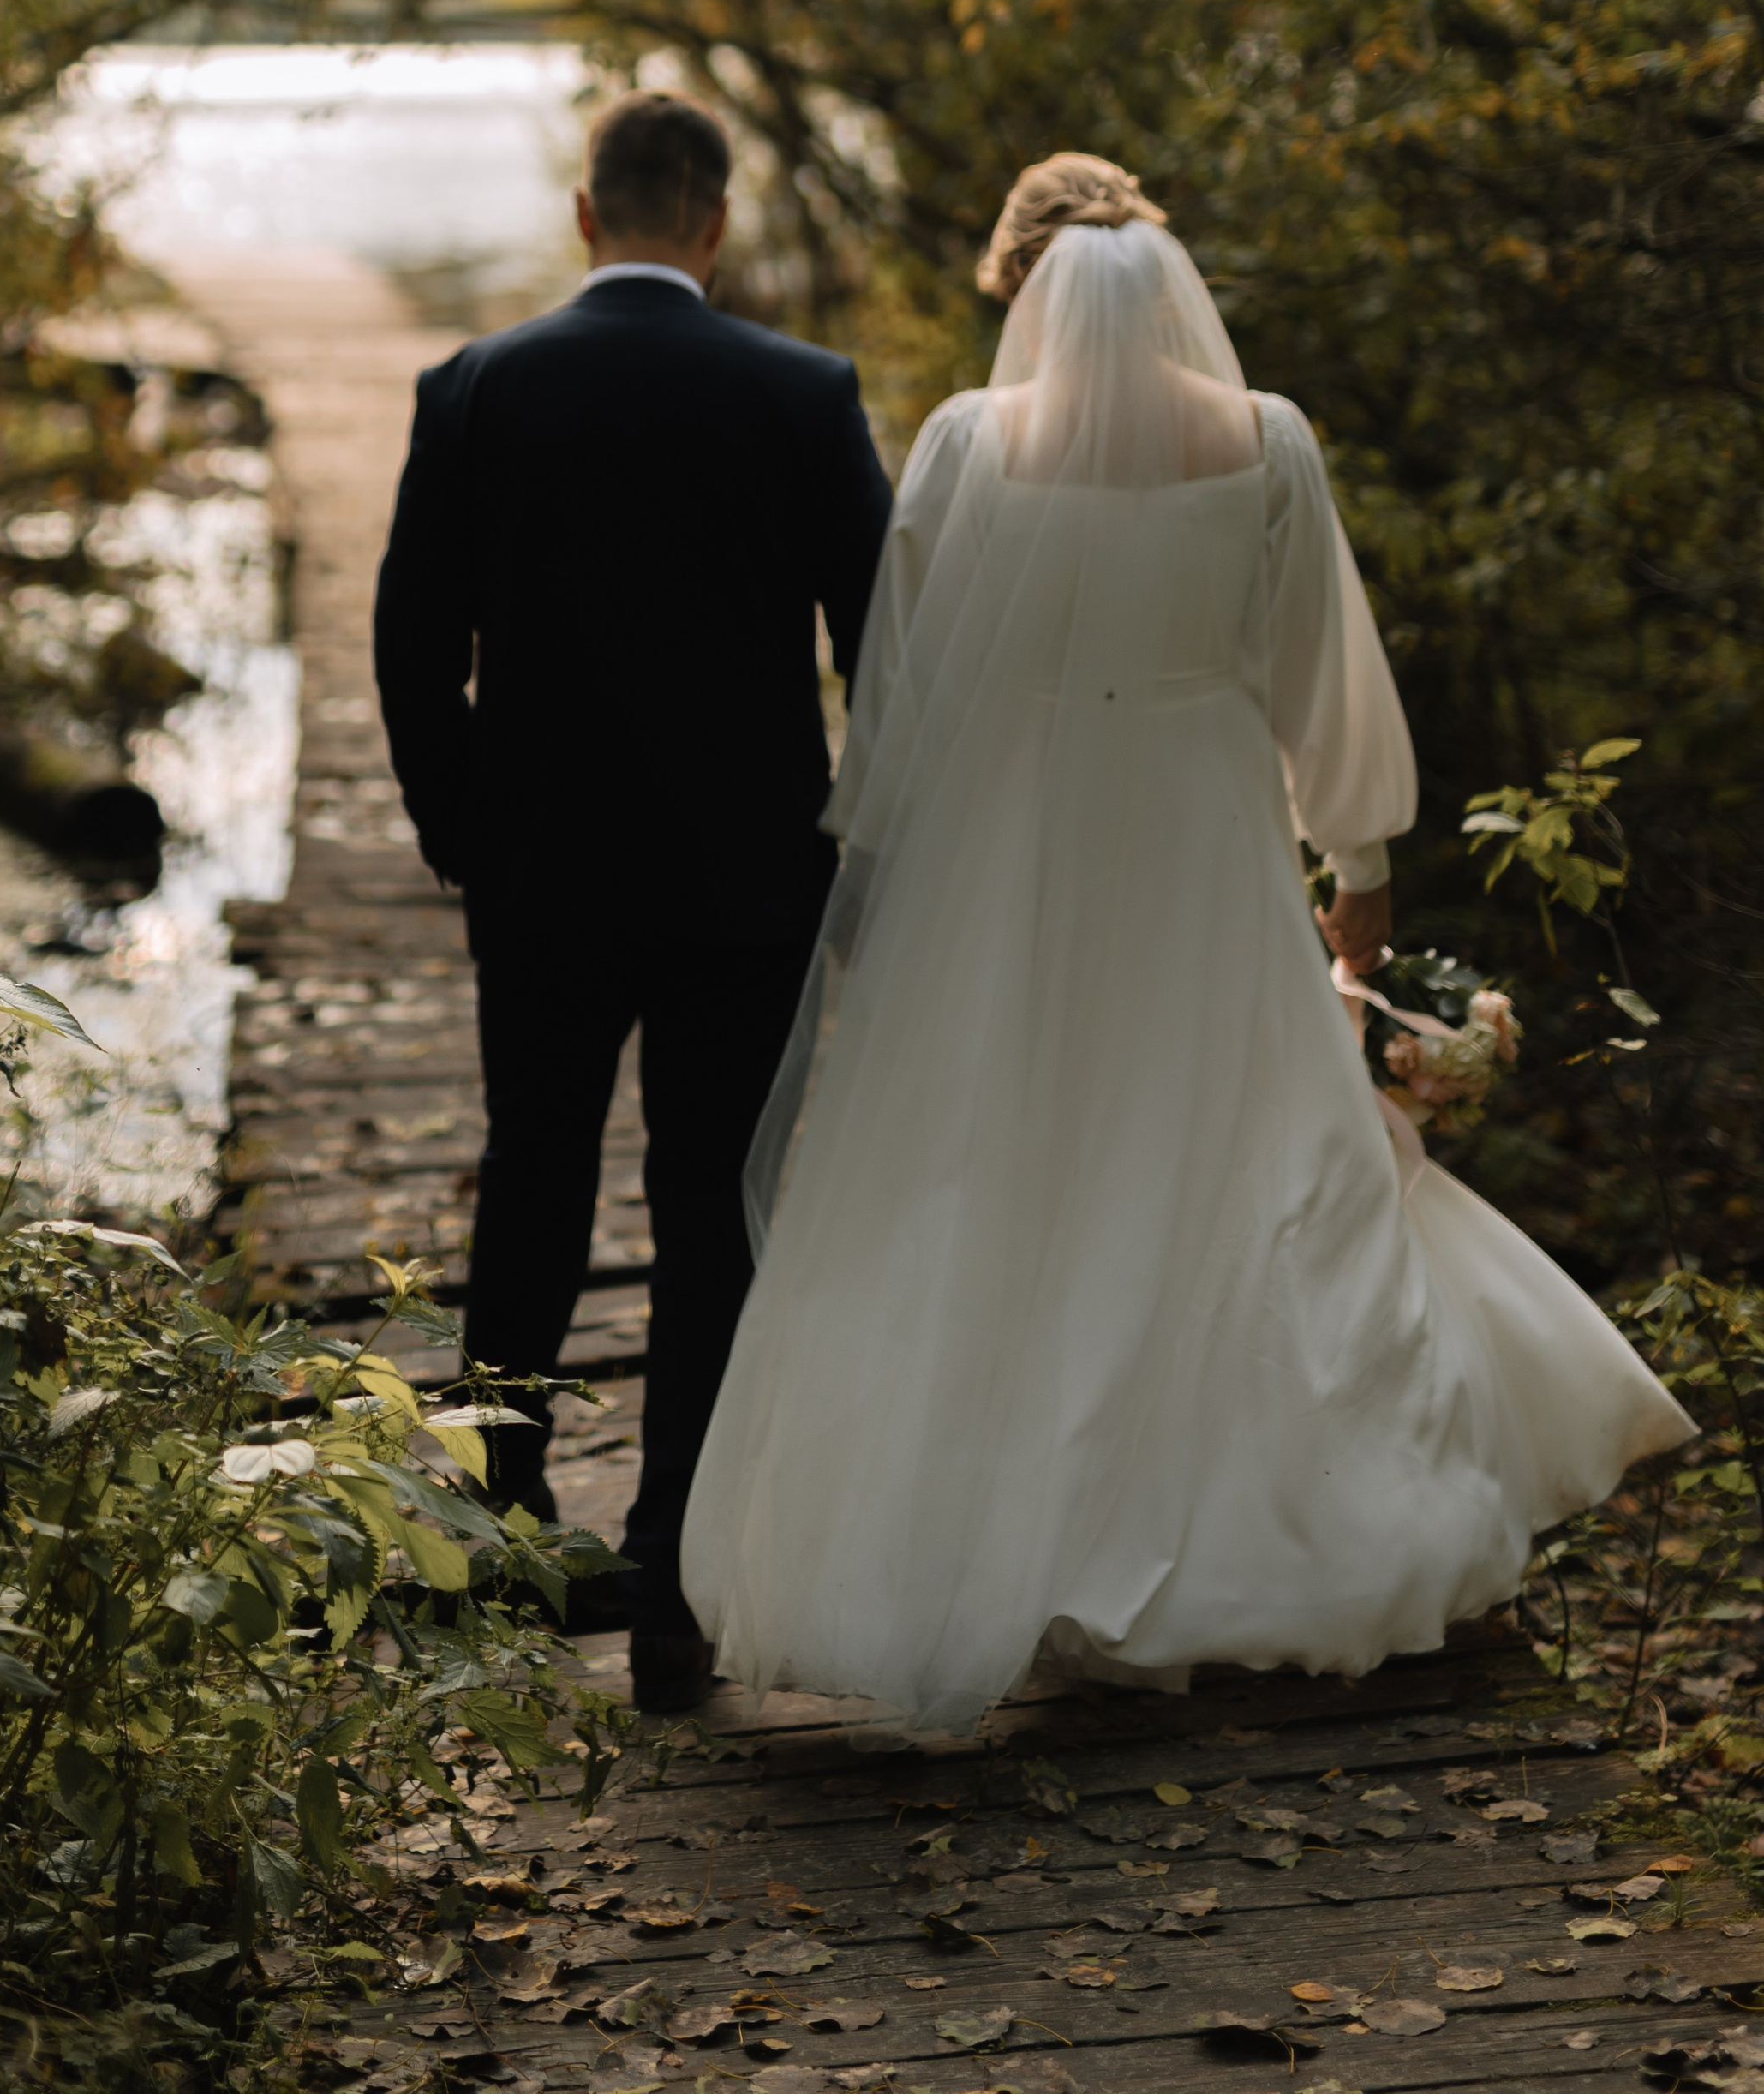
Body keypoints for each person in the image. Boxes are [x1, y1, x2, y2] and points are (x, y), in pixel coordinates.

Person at [681, 153, 1691, 1730]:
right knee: (1233, 1163)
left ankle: (993, 1543)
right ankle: (1267, 1539)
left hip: (1017, 866)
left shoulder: (963, 444)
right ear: (1166, 280)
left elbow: (904, 690)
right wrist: (1356, 859)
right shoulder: (1265, 442)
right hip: (1205, 850)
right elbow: (1321, 674)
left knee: (1011, 1168)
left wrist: (879, 871)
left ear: (1022, 288)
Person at [373, 87, 894, 1711]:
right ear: (718, 222)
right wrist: (853, 845)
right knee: (705, 1219)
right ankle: (678, 1570)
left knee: (532, 1180)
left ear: (586, 216)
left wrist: (466, 829)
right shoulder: (805, 396)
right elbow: (886, 649)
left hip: (541, 872)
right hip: (747, 875)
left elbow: (408, 644)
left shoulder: (476, 389)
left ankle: (498, 1529)